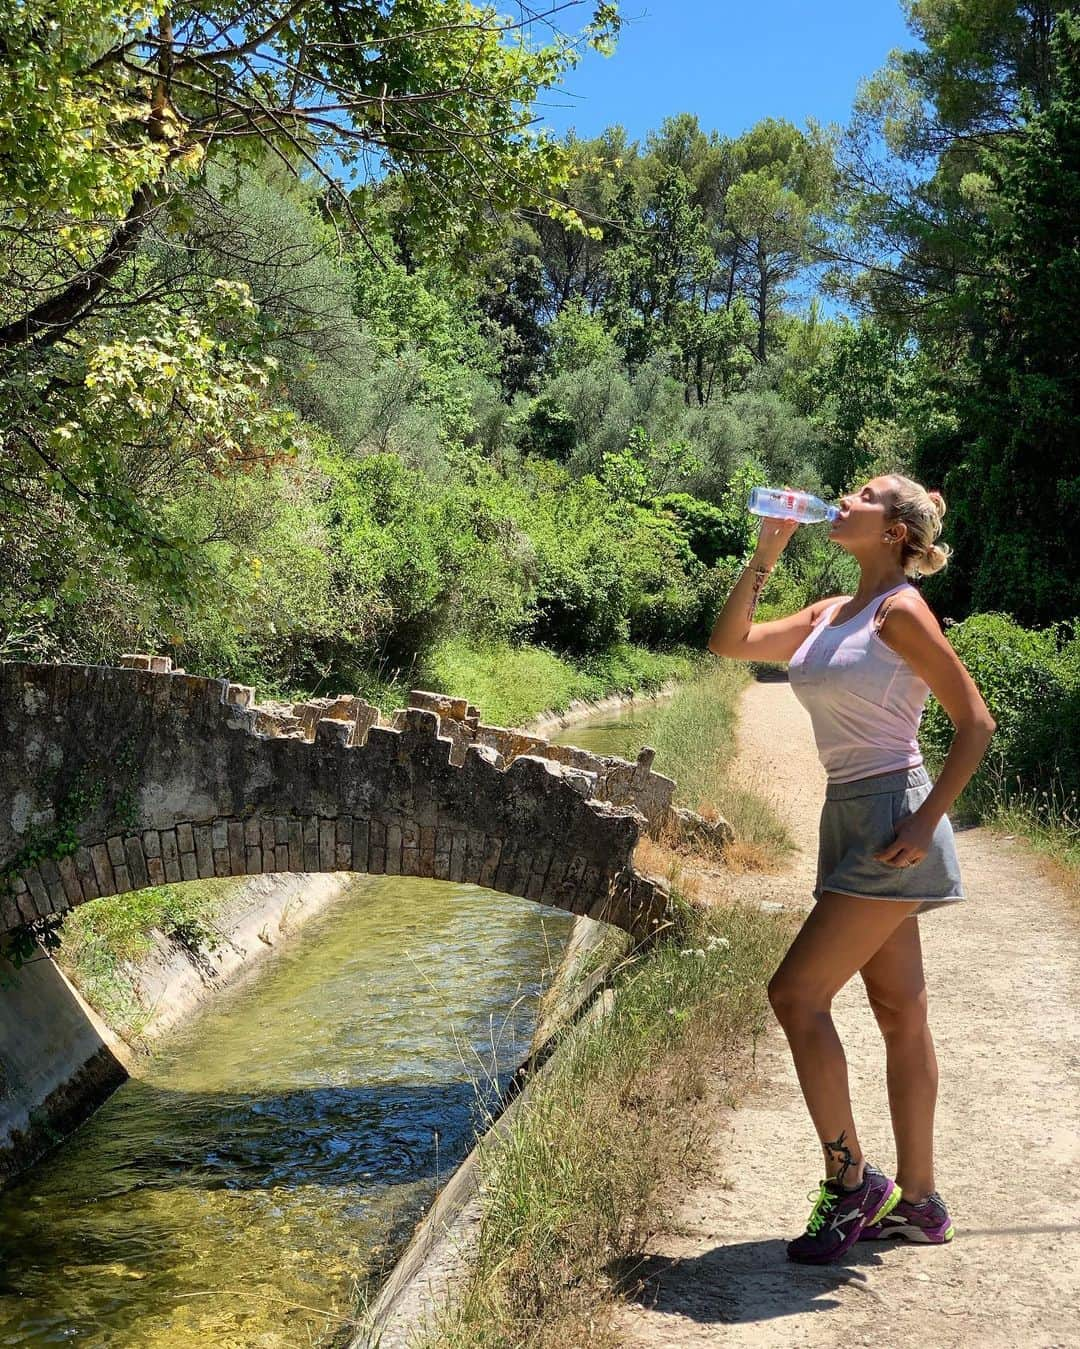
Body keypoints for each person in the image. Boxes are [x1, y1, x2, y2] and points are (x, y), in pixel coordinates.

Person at [707, 473, 996, 1265]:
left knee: (795, 994)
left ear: (897, 530)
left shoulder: (902, 611)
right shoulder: (832, 611)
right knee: (900, 1011)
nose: (845, 497)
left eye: (865, 493)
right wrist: (764, 555)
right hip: (847, 815)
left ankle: (851, 1181)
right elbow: (730, 643)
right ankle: (923, 1201)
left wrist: (927, 817)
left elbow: (974, 721)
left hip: (888, 822)